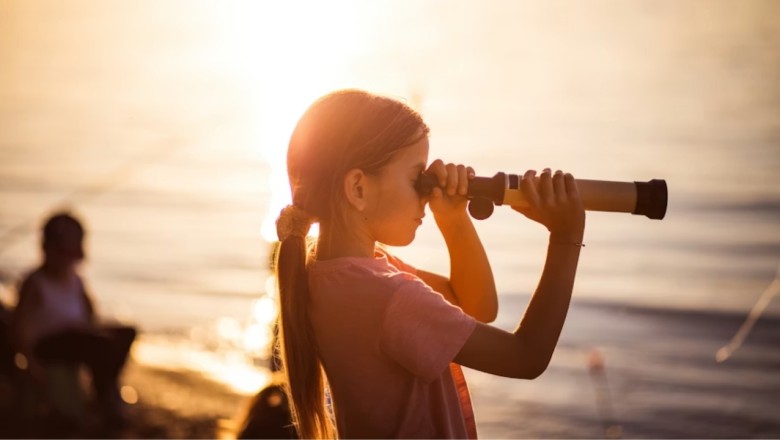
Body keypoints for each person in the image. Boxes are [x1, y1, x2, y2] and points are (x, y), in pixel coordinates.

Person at [274, 89, 585, 438]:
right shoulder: (389, 295)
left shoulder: (332, 275)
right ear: (358, 188)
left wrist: (453, 219)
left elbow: (476, 306)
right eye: (417, 178)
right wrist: (566, 237)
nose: (427, 193)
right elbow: (527, 357)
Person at [10, 211, 136, 425]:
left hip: (77, 338)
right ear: (47, 248)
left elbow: (89, 315)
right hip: (49, 345)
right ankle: (105, 399)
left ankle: (106, 387)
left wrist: (97, 330)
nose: (66, 258)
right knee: (96, 344)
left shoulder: (76, 280)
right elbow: (19, 326)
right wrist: (30, 363)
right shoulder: (35, 282)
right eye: (61, 249)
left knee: (126, 333)